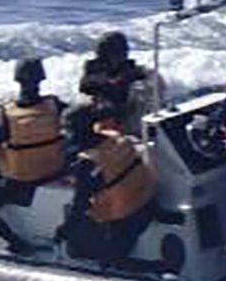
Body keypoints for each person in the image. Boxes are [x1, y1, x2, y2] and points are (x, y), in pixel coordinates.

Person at [63, 108, 178, 270]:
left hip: (128, 216)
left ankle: (164, 267)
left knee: (111, 262)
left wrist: (64, 230)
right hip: (149, 200)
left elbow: (81, 203)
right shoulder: (117, 137)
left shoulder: (88, 162)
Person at [0, 56, 68, 254]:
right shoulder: (55, 105)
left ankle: (18, 244)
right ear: (42, 78)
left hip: (22, 179)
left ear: (17, 80)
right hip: (55, 171)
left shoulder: (8, 114)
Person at [78, 29, 150, 126]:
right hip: (101, 109)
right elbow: (84, 87)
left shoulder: (128, 67)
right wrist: (106, 81)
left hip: (126, 109)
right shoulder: (94, 66)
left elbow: (144, 75)